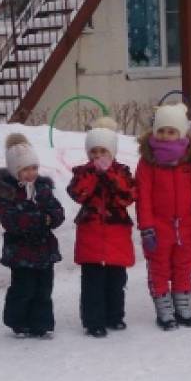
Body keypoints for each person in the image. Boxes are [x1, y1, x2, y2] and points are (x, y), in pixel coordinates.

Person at [135, 104, 191, 330]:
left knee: (184, 266)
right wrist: (147, 227)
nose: (166, 136)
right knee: (159, 268)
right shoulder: (148, 162)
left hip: (186, 226)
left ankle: (182, 306)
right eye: (161, 131)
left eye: (171, 131)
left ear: (181, 133)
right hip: (159, 226)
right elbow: (144, 197)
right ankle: (164, 309)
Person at [0, 133, 64, 339]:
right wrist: (41, 219)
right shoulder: (8, 193)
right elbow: (11, 221)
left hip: (44, 250)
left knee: (43, 289)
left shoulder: (43, 188)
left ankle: (41, 323)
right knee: (23, 289)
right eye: (25, 169)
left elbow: (57, 211)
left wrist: (52, 218)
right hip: (20, 252)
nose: (30, 173)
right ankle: (18, 321)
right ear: (15, 171)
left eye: (34, 168)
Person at [68, 117, 136, 338]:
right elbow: (78, 193)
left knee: (116, 281)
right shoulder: (83, 172)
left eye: (103, 152)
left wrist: (110, 175)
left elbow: (127, 196)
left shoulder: (122, 171)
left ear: (112, 152)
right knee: (92, 283)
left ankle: (115, 316)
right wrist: (95, 175)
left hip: (116, 235)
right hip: (91, 235)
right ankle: (93, 321)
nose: (98, 157)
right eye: (94, 152)